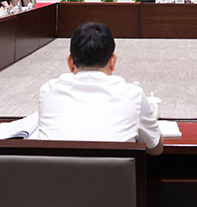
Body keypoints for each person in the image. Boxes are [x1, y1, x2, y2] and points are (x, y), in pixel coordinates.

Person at [36, 22, 163, 154]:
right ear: (113, 61)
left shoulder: (48, 91)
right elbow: (155, 149)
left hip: (55, 168)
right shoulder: (133, 95)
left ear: (70, 62)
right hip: (114, 168)